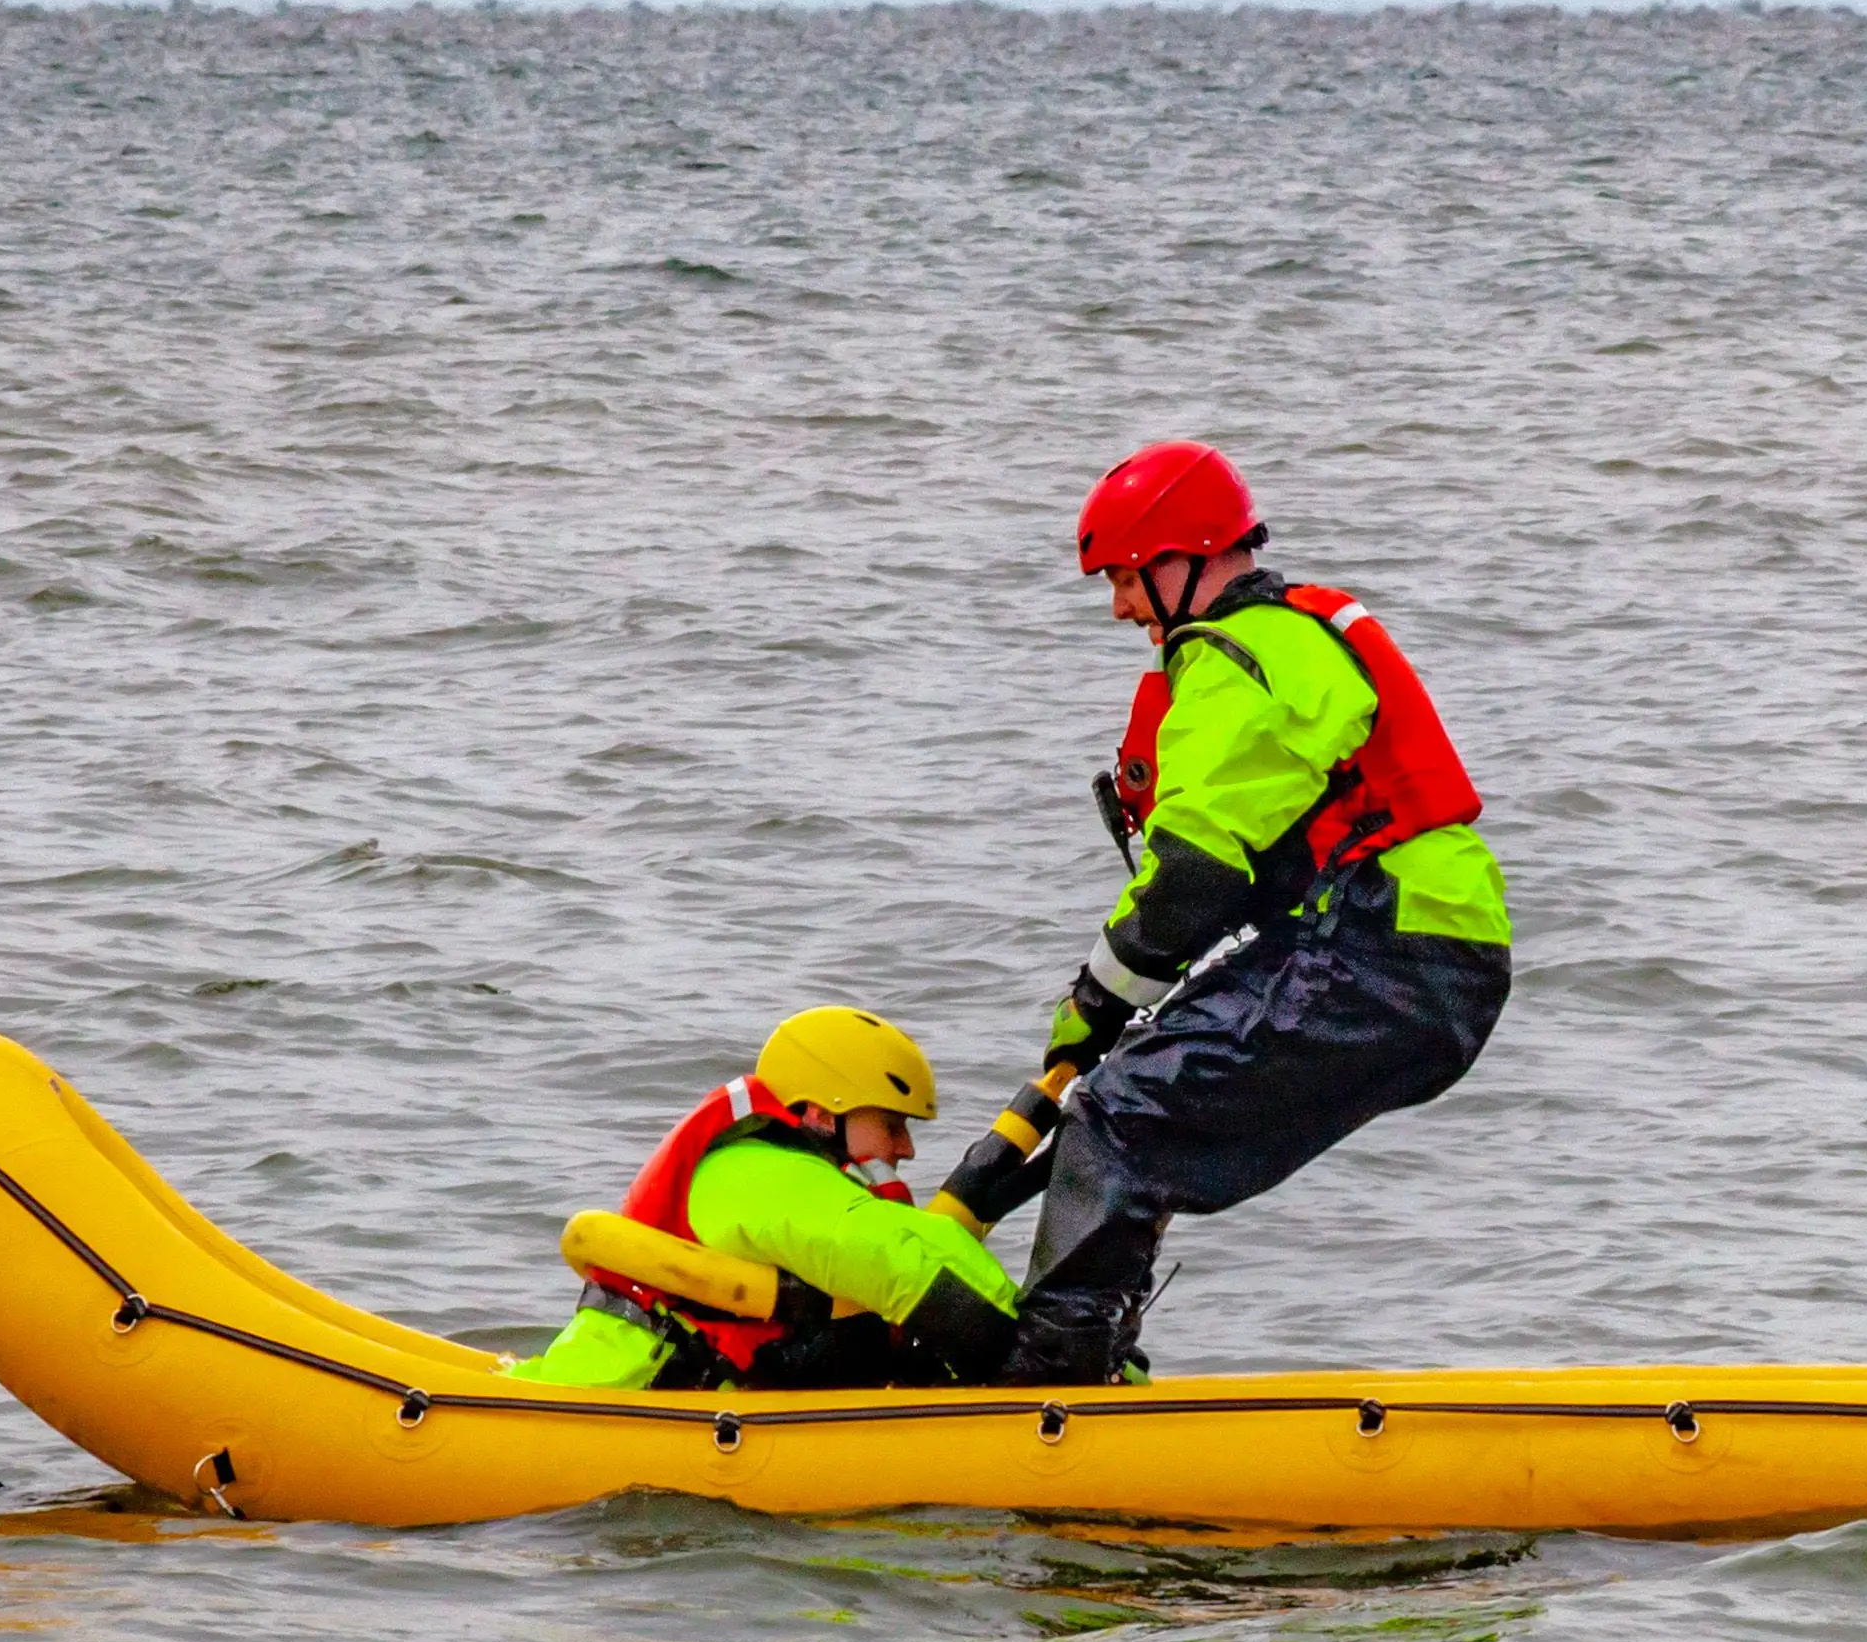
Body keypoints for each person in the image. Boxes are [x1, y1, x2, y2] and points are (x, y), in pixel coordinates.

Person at [936, 440, 1511, 1385]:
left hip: (1390, 950)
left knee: (1119, 1118)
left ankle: (1054, 1377)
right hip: (1402, 942)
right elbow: (1225, 874)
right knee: (1128, 1101)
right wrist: (1115, 1014)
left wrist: (1094, 994)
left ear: (1185, 559)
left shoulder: (1234, 662)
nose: (1119, 606)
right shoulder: (1284, 637)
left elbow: (1193, 875)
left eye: (1124, 578)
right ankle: (1092, 1356)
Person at [512, 1004, 1020, 1390]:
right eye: (891, 1125)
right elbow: (889, 1258)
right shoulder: (757, 1171)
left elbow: (915, 1239)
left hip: (661, 1393)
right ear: (823, 1114)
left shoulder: (778, 1170)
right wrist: (1021, 1347)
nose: (905, 1148)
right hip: (615, 1397)